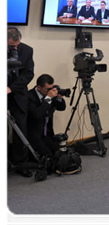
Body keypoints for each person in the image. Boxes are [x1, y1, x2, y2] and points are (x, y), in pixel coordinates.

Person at [5, 27, 34, 177]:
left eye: (17, 45)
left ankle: (21, 164)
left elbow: (28, 73)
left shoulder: (27, 50)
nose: (15, 48)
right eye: (11, 46)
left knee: (20, 129)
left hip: (17, 93)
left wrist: (11, 88)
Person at [27, 74, 66, 158]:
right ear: (39, 88)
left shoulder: (49, 94)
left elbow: (61, 108)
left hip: (46, 134)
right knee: (48, 157)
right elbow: (36, 115)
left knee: (60, 153)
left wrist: (59, 97)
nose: (50, 91)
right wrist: (48, 98)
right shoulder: (29, 96)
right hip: (34, 136)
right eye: (48, 89)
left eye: (52, 88)